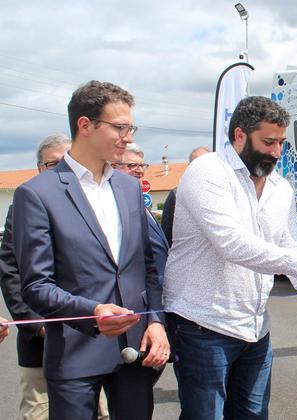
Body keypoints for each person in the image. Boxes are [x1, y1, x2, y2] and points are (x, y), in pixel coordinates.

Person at [163, 96, 297, 419]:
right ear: (239, 135)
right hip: (202, 324)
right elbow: (233, 243)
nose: (277, 152)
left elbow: (292, 245)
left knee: (253, 414)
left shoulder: (280, 188)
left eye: (281, 142)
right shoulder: (208, 172)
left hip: (255, 329)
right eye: (268, 142)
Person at [12, 80, 169, 419]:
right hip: (74, 355)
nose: (128, 136)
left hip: (135, 351)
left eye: (131, 127)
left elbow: (149, 266)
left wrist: (156, 321)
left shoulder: (128, 187)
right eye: (120, 127)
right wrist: (94, 312)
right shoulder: (37, 194)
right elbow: (36, 286)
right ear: (85, 126)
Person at [1, 134, 110, 420]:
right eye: (53, 163)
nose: (62, 169)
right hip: (42, 340)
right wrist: (36, 324)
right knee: (38, 413)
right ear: (39, 168)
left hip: (89, 338)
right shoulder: (25, 204)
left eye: (67, 162)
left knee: (98, 412)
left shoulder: (91, 205)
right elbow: (11, 272)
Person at [113, 143, 168, 284]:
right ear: (113, 167)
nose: (139, 171)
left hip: (156, 286)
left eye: (142, 166)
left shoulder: (139, 201)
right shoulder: (114, 204)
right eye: (131, 166)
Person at [160, 146, 209, 247]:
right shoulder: (176, 195)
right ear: (190, 166)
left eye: (206, 163)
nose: (202, 167)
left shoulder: (224, 193)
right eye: (197, 163)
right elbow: (166, 234)